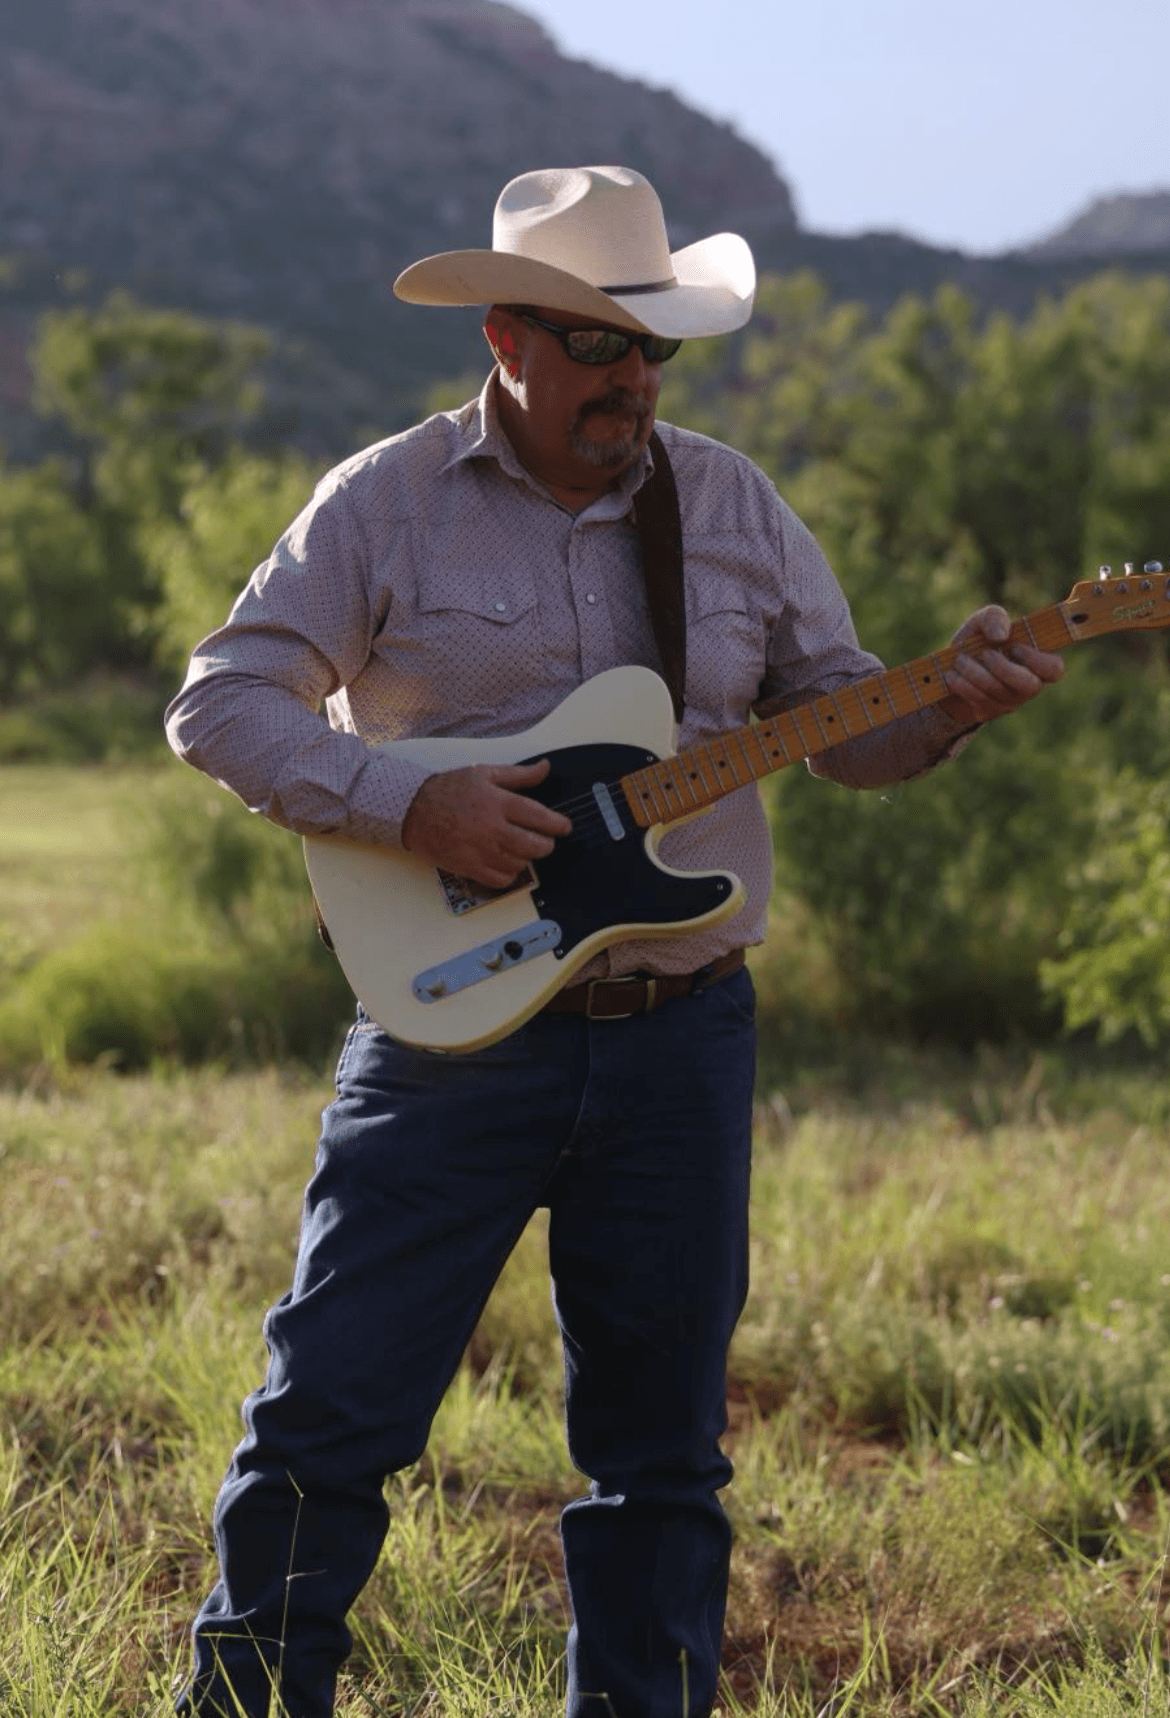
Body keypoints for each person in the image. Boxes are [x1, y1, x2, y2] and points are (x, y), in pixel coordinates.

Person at [165, 165, 1064, 1718]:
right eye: (596, 346)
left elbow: (837, 727)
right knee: (327, 1418)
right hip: (448, 1036)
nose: (632, 379)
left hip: (681, 1036)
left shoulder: (729, 504)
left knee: (661, 1457)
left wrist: (949, 710)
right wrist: (409, 807)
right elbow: (220, 703)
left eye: (651, 348)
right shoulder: (383, 499)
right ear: (505, 337)